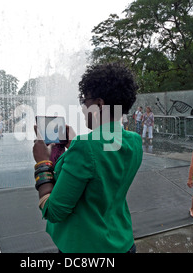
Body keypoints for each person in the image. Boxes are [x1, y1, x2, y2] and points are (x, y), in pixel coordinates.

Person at [32, 62, 142, 253]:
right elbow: (103, 168)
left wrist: (42, 163)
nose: (82, 107)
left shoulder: (85, 147)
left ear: (99, 104)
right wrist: (74, 142)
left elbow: (54, 211)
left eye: (85, 100)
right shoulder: (135, 141)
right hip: (122, 242)